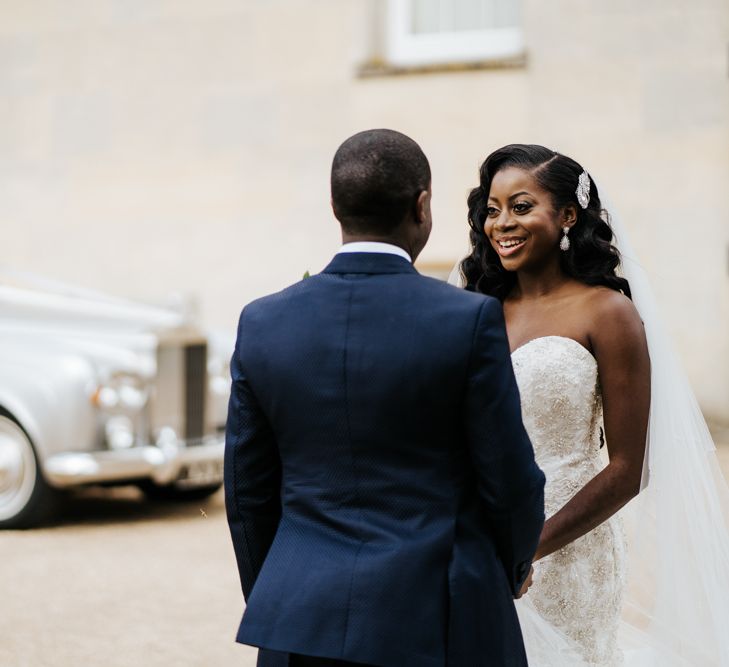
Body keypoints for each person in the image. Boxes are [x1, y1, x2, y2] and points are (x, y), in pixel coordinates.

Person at [224, 129, 545, 667]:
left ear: (335, 206)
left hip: (300, 615)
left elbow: (247, 489)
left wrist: (278, 594)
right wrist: (511, 569)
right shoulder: (465, 320)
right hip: (438, 617)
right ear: (423, 206)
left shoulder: (262, 322)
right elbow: (507, 473)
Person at [453, 143, 729, 665]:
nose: (502, 223)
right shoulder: (474, 311)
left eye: (521, 205)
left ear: (568, 215)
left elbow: (631, 467)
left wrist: (529, 545)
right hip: (476, 543)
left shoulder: (608, 313)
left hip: (569, 544)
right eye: (492, 209)